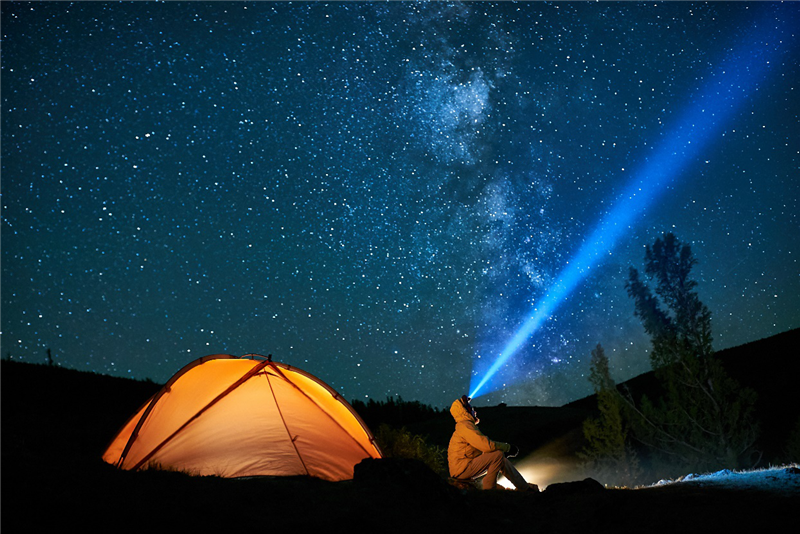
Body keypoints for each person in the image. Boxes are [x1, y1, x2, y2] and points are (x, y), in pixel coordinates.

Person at [447, 395, 535, 491]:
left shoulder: (465, 426)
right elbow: (486, 445)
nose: (474, 411)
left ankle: (525, 488)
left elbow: (483, 448)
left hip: (463, 468)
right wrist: (508, 448)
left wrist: (504, 450)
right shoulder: (465, 426)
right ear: (465, 411)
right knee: (497, 455)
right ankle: (489, 489)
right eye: (471, 409)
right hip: (461, 470)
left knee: (501, 459)